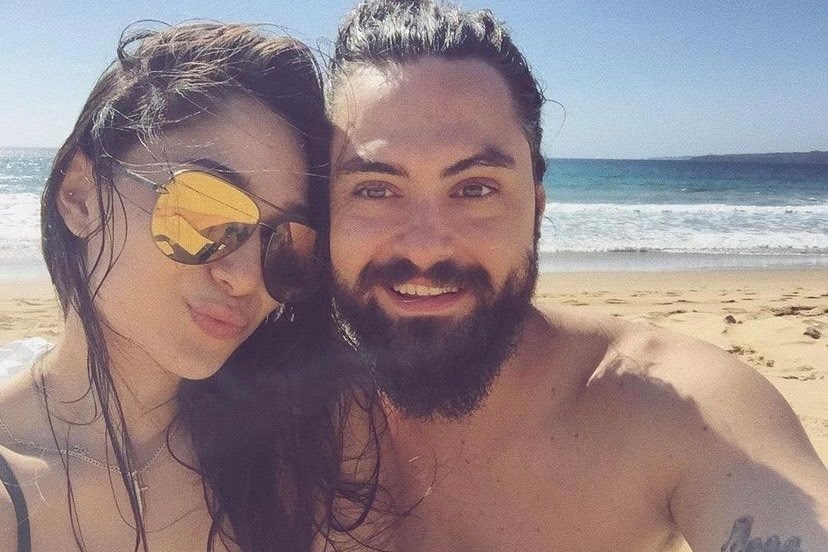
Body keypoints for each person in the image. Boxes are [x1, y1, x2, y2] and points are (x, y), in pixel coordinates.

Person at [323, 1, 828, 550]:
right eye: (374, 189)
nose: (425, 245)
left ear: (536, 208)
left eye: (475, 188)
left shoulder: (685, 415)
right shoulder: (273, 407)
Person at [0, 22, 338, 552]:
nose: (246, 276)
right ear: (81, 195)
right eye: (205, 210)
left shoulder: (288, 462)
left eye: (287, 246)